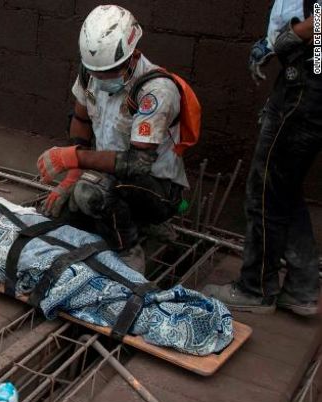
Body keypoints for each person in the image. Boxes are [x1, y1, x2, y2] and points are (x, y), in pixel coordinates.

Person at [37, 5, 194, 272]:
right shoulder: (91, 73)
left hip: (157, 188)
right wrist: (73, 173)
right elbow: (82, 120)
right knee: (67, 209)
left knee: (91, 192)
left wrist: (73, 159)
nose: (101, 79)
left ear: (132, 57)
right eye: (96, 72)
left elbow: (137, 164)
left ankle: (129, 252)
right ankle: (143, 223)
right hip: (113, 176)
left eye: (109, 72)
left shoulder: (155, 91)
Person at [203, 1, 320, 316]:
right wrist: (273, 45)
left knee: (265, 192)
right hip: (302, 85)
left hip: (306, 89)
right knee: (282, 189)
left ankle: (255, 288)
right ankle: (302, 287)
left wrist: (291, 38)